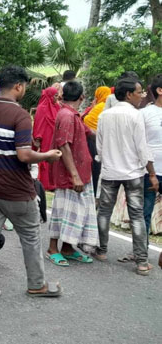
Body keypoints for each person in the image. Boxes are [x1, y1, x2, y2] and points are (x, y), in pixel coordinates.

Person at [0, 65, 63, 303]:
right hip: (16, 189)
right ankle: (36, 285)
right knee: (31, 236)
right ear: (18, 86)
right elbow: (24, 155)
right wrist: (47, 155)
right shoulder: (21, 115)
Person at [94, 78, 157, 275]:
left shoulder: (105, 115)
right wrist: (152, 173)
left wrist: (107, 162)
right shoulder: (135, 116)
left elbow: (100, 147)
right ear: (129, 94)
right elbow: (142, 148)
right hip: (133, 173)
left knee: (104, 212)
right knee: (137, 216)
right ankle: (141, 262)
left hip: (110, 172)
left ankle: (102, 250)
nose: (142, 96)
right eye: (139, 92)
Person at [46, 81, 97, 266]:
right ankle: (53, 248)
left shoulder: (74, 115)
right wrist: (74, 175)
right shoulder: (67, 115)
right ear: (82, 97)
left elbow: (89, 133)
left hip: (81, 172)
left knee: (76, 213)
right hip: (69, 174)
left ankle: (67, 248)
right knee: (63, 210)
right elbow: (63, 145)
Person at [141, 75, 162, 235]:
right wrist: (152, 173)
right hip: (150, 172)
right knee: (145, 214)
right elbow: (141, 144)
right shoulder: (145, 113)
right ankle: (141, 254)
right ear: (159, 90)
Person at [33, 86, 62, 191]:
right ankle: (45, 183)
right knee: (46, 157)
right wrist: (38, 137)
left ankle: (53, 182)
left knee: (55, 157)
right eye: (55, 95)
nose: (57, 97)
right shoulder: (42, 108)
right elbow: (38, 123)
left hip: (54, 136)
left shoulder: (57, 107)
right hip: (46, 136)